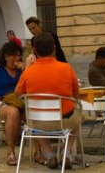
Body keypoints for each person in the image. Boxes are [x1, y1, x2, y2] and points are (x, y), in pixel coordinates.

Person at [15, 32, 79, 169]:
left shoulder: (27, 72)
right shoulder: (66, 68)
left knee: (32, 121)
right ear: (54, 48)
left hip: (38, 122)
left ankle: (50, 155)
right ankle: (65, 153)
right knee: (78, 117)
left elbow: (18, 94)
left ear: (34, 50)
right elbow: (76, 96)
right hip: (64, 120)